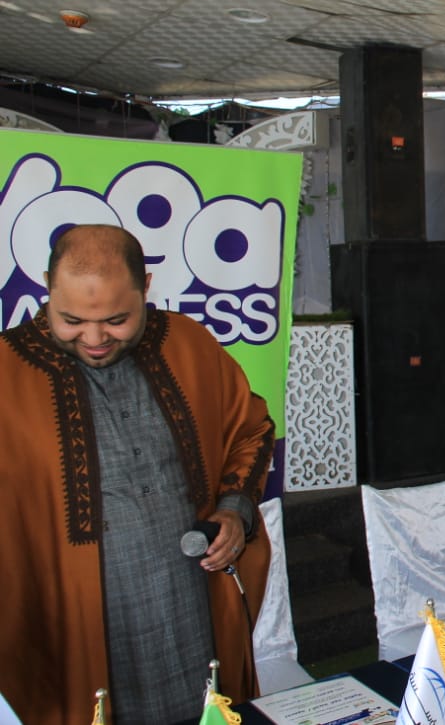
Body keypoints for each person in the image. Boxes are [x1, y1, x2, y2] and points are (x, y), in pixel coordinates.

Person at [0, 225, 276, 724]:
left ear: (146, 287)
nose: (94, 338)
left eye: (116, 320)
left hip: (193, 608)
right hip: (75, 630)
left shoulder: (187, 343)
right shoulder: (5, 372)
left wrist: (235, 512)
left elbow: (250, 429)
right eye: (71, 320)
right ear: (46, 286)